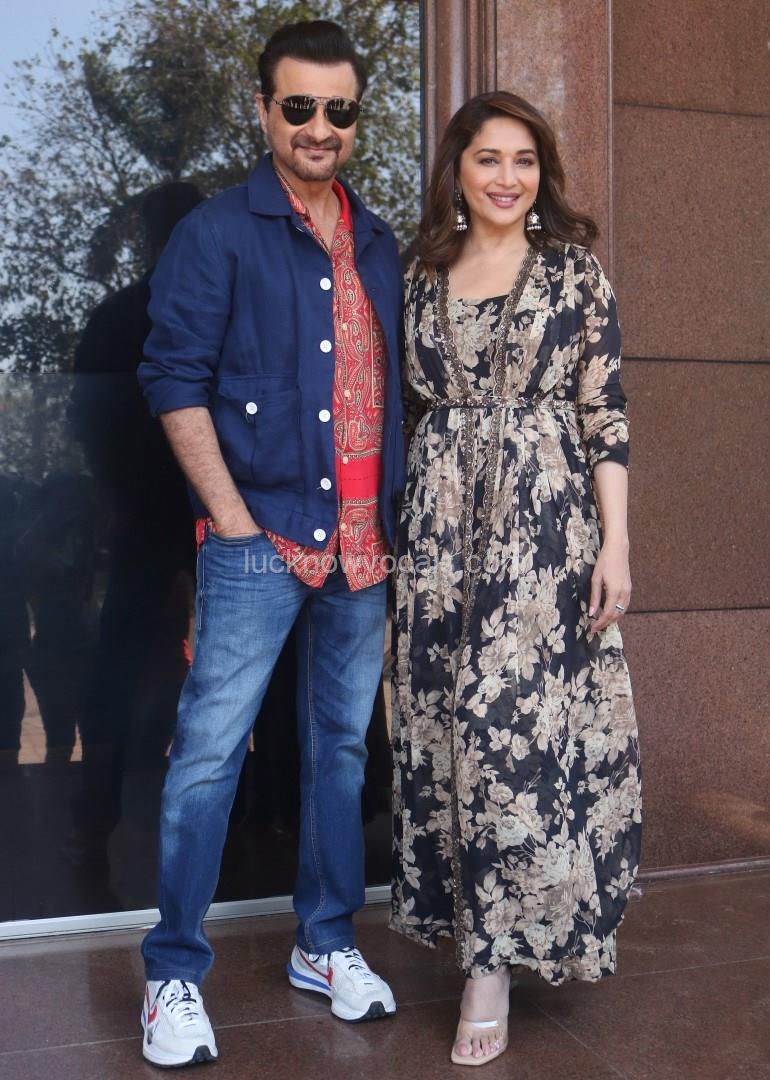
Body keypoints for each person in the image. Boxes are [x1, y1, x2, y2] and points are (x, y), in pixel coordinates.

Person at [137, 20, 405, 1069]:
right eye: (298, 106)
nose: (318, 127)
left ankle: (324, 944)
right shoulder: (218, 233)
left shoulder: (378, 241)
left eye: (339, 109)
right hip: (259, 540)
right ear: (263, 110)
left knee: (339, 752)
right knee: (208, 757)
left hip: (361, 549)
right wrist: (235, 519)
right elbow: (173, 380)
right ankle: (171, 973)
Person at [390, 91, 642, 1067]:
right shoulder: (420, 275)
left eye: (524, 160)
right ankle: (472, 928)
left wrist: (615, 546)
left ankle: (491, 964)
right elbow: (409, 415)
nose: (506, 177)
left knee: (512, 739)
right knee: (443, 734)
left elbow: (604, 416)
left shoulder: (573, 272)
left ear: (542, 175)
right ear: (456, 170)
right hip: (438, 537)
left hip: (542, 535)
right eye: (488, 158)